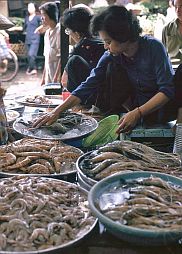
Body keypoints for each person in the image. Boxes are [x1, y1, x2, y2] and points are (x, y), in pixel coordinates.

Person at [33, 5, 177, 134]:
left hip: (162, 108)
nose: (105, 46)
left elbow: (166, 90)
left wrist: (137, 113)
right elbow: (89, 84)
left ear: (123, 36)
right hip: (136, 106)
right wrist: (57, 112)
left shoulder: (153, 47)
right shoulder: (112, 55)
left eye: (108, 42)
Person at [61, 7, 105, 92]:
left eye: (68, 30)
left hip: (87, 98)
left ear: (77, 33)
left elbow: (64, 81)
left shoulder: (81, 47)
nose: (69, 34)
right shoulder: (102, 41)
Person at [39, 2, 60, 86]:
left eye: (43, 14)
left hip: (57, 77)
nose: (42, 18)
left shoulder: (59, 31)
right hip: (49, 77)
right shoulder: (47, 33)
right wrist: (43, 78)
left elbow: (61, 58)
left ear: (51, 15)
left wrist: (55, 78)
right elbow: (46, 59)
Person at [162, 0, 182, 65]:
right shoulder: (167, 28)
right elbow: (163, 53)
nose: (177, 10)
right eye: (176, 7)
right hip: (173, 68)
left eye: (181, 6)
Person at [24, 2, 42, 75]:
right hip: (27, 39)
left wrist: (39, 30)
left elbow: (44, 24)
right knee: (28, 55)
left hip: (35, 39)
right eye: (29, 7)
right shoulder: (27, 18)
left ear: (34, 8)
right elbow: (24, 28)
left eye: (31, 7)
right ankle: (31, 68)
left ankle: (33, 69)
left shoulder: (38, 17)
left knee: (32, 54)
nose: (30, 9)